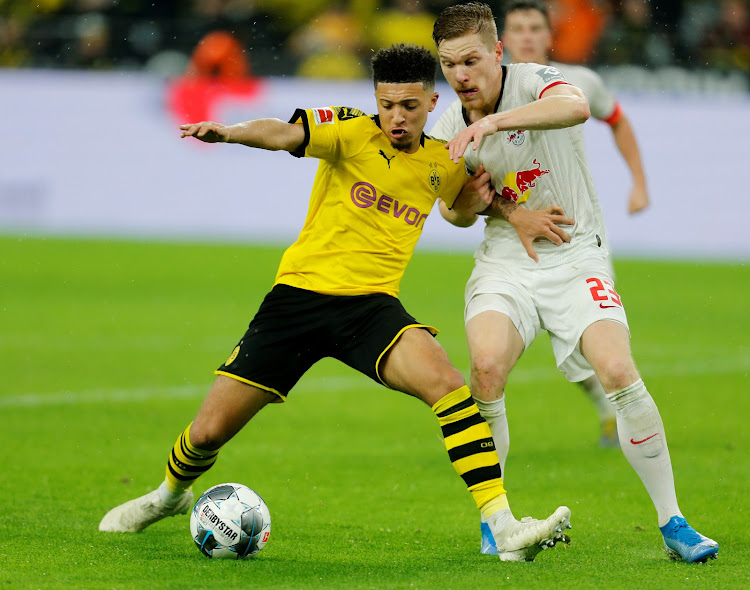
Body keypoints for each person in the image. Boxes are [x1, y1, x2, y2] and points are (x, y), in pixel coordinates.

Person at [98, 43, 572, 563]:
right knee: (209, 431)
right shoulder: (347, 130)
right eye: (387, 104)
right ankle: (167, 496)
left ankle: (502, 526)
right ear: (375, 99)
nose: (396, 117)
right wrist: (230, 133)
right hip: (297, 301)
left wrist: (513, 212)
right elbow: (283, 133)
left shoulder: (445, 161)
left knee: (449, 386)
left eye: (410, 107)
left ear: (432, 102)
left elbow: (466, 201)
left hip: (370, 310)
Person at [428, 3, 719, 563]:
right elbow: (455, 215)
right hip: (504, 264)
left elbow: (576, 107)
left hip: (575, 253)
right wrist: (485, 201)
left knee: (617, 370)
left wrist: (492, 123)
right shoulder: (447, 126)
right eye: (448, 65)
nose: (460, 76)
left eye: (470, 61)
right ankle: (498, 523)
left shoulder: (536, 80)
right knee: (485, 369)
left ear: (496, 53)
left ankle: (673, 521)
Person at [500, 0, 652, 448]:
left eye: (535, 29)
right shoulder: (486, 92)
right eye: (517, 29)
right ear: (502, 41)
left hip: (578, 233)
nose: (527, 36)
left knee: (589, 338)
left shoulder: (579, 82)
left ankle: (624, 413)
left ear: (550, 37)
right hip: (516, 234)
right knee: (525, 340)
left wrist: (638, 183)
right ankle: (609, 407)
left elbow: (618, 121)